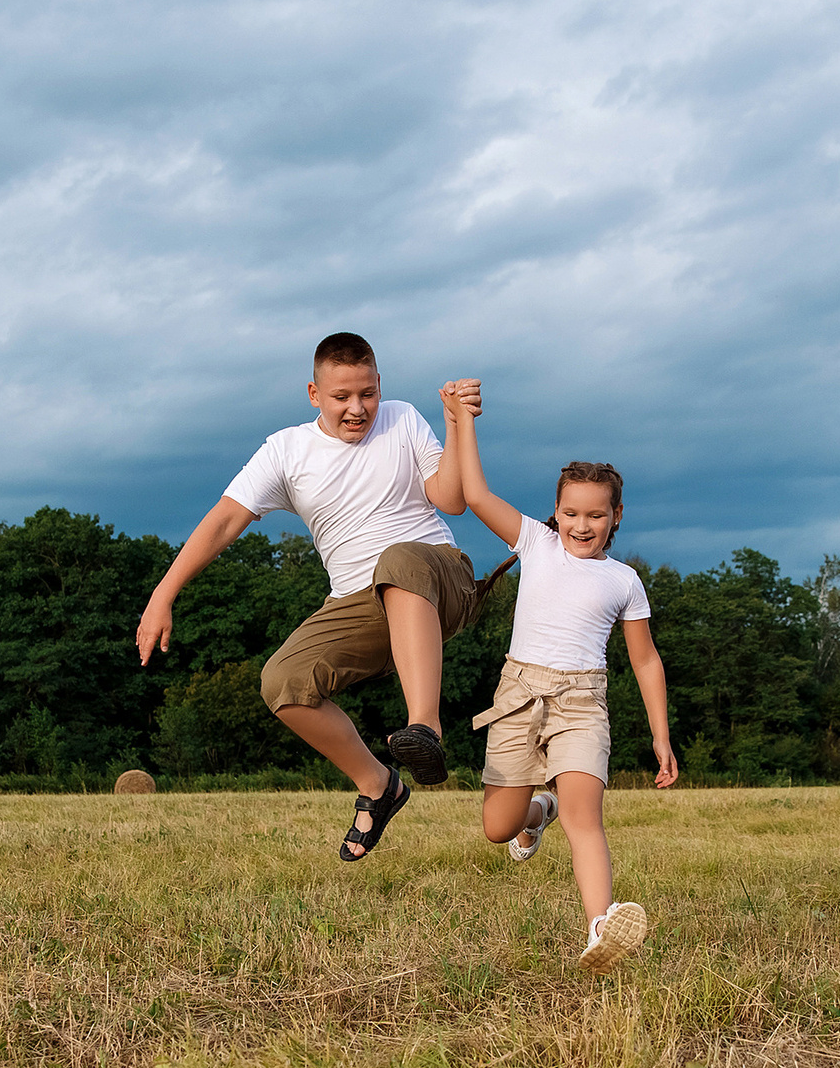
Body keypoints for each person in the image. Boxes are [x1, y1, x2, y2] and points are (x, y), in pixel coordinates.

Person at [135, 332, 492, 861]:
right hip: (361, 601)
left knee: (398, 559)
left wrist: (458, 423)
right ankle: (378, 785)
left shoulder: (402, 419)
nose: (357, 408)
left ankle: (424, 727)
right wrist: (162, 595)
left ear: (380, 385)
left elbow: (451, 500)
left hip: (440, 579)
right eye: (341, 396)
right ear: (313, 393)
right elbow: (226, 519)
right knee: (283, 682)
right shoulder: (286, 450)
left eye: (367, 394)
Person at [439, 379, 677, 971]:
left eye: (595, 514)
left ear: (616, 516)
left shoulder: (624, 580)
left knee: (584, 817)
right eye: (571, 512)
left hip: (582, 702)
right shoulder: (536, 542)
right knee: (498, 827)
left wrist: (661, 736)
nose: (581, 524)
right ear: (556, 511)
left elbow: (645, 660)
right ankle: (535, 813)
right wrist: (463, 419)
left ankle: (601, 927)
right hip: (519, 696)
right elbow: (473, 493)